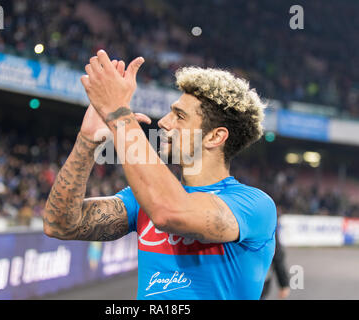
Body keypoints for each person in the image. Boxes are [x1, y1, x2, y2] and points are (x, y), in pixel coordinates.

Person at [43, 50, 277, 300]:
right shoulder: (141, 199)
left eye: (180, 116)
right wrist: (87, 139)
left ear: (215, 137)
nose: (164, 122)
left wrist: (117, 113)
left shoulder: (254, 205)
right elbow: (59, 224)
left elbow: (169, 212)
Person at [260, 227, 290, 300]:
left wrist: (284, 282)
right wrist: (284, 283)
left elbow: (277, 255)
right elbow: (277, 254)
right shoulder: (268, 222)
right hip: (260, 281)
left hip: (234, 280)